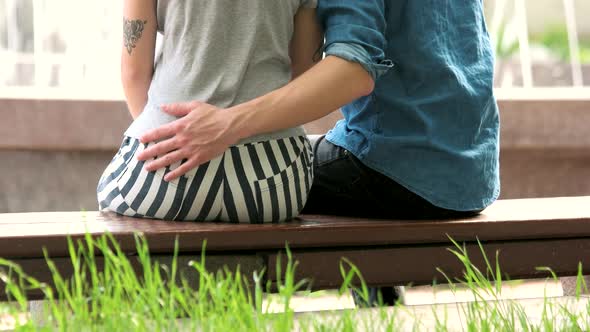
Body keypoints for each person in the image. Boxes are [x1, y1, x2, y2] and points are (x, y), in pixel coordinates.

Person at [136, 0, 500, 305]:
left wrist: (228, 123)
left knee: (253, 172)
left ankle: (214, 312)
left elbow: (354, 69)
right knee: (310, 161)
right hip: (472, 172)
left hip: (398, 167)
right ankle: (383, 312)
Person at [97, 0, 322, 223]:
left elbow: (134, 73)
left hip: (165, 170)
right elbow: (305, 74)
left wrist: (170, 135)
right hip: (276, 177)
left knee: (110, 201)